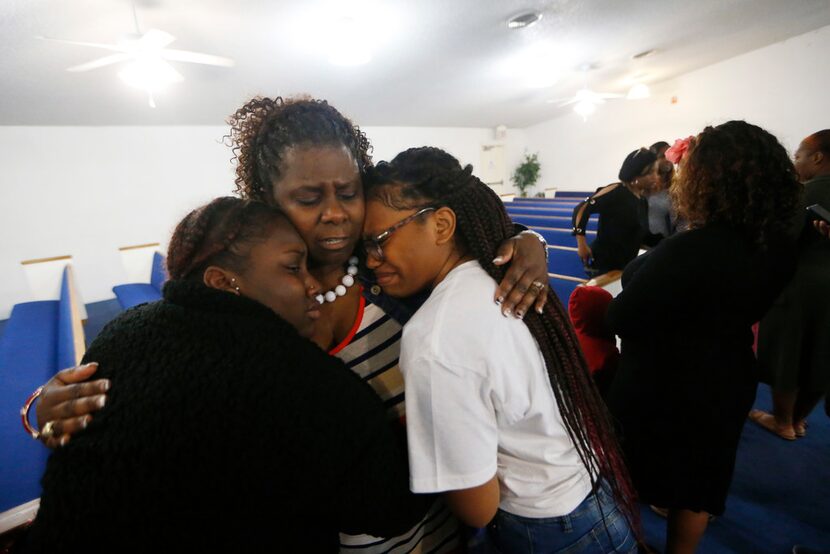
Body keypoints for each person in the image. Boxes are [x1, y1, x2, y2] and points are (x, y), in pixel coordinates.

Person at [25, 96, 550, 554]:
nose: (335, 213)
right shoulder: (240, 322)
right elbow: (150, 419)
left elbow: (461, 235)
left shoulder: (391, 278)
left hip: (437, 531)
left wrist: (528, 239)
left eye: (347, 192)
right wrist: (44, 410)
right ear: (267, 201)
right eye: (307, 198)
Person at [22, 198, 431, 553]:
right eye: (292, 268)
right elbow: (388, 507)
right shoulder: (301, 377)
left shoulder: (123, 329)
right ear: (223, 281)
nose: (311, 285)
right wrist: (428, 415)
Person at [361, 147, 640, 553]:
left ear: (441, 224)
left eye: (379, 240)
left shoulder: (435, 338)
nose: (370, 260)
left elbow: (477, 507)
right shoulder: (499, 277)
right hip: (587, 494)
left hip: (544, 528)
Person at [605, 121, 802, 554]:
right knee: (699, 482)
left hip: (665, 382)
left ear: (708, 179)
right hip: (727, 372)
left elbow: (622, 316)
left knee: (634, 476)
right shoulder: (780, 241)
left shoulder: (691, 248)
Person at [752, 129, 830, 439]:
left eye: (798, 156)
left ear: (818, 157)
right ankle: (798, 419)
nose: (796, 163)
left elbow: (779, 242)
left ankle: (782, 420)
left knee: (790, 352)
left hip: (801, 285)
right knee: (821, 354)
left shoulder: (805, 193)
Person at [571, 148, 660, 277]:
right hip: (604, 265)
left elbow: (643, 234)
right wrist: (581, 244)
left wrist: (668, 242)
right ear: (637, 173)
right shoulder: (617, 191)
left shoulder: (642, 201)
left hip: (625, 265)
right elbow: (582, 208)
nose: (656, 177)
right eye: (651, 172)